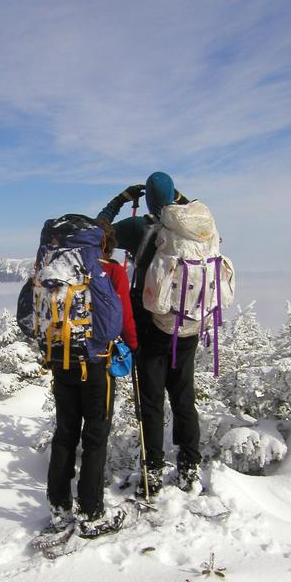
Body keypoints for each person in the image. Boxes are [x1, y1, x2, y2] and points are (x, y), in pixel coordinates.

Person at [98, 172, 202, 496]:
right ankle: (189, 468)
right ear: (174, 197)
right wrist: (178, 200)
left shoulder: (139, 228)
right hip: (188, 325)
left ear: (149, 201)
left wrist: (120, 200)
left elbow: (96, 233)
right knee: (184, 397)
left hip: (150, 325)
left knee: (152, 400)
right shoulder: (197, 230)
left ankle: (153, 472)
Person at [46, 218, 138, 537]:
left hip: (62, 359)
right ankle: (91, 513)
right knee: (95, 437)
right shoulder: (111, 271)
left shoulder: (56, 265)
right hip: (97, 362)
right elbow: (123, 317)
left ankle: (59, 508)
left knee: (65, 433)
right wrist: (134, 347)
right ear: (105, 243)